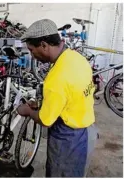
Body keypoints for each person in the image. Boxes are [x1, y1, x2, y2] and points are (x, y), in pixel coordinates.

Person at [17, 19, 98, 177]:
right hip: (88, 130)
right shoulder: (77, 58)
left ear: (44, 45)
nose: (32, 56)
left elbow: (46, 120)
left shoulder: (56, 79)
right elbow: (70, 94)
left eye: (32, 50)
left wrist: (26, 110)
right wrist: (46, 102)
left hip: (69, 141)